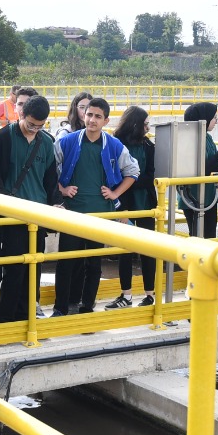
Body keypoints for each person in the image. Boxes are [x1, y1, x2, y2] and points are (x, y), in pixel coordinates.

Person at [53, 97, 138, 315]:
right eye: (89, 114)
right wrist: (62, 190)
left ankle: (87, 307)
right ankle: (60, 307)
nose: (92, 120)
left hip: (100, 213)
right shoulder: (68, 141)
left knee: (93, 263)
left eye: (97, 116)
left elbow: (133, 171)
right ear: (83, 115)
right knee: (65, 262)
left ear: (106, 121)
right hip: (72, 213)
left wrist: (115, 193)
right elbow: (49, 168)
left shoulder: (114, 145)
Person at [0, 94, 59, 323]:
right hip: (11, 216)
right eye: (30, 124)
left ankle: (27, 317)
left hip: (36, 216)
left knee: (34, 268)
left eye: (40, 126)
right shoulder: (4, 138)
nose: (34, 129)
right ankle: (5, 319)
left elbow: (50, 179)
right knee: (14, 270)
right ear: (21, 114)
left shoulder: (46, 142)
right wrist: (6, 205)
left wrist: (55, 205)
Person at [106, 105, 156, 308]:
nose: (147, 127)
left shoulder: (148, 146)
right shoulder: (116, 143)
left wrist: (131, 178)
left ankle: (150, 294)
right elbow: (115, 177)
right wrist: (122, 206)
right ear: (135, 124)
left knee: (148, 250)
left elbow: (150, 175)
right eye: (145, 124)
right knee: (124, 250)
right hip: (124, 202)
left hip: (145, 202)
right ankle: (126, 294)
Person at [180, 102, 218, 240]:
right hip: (192, 196)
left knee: (210, 235)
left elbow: (217, 165)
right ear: (204, 119)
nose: (216, 121)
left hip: (209, 195)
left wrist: (217, 159)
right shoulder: (190, 139)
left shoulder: (207, 137)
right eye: (214, 117)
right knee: (197, 235)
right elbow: (204, 169)